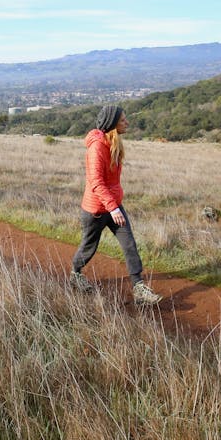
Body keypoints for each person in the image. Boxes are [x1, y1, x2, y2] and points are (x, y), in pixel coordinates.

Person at [70, 105, 162, 305]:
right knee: (88, 247)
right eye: (123, 120)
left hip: (114, 207)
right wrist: (112, 207)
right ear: (112, 124)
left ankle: (139, 288)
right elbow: (96, 182)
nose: (127, 122)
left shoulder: (114, 143)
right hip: (96, 210)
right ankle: (75, 273)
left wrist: (115, 205)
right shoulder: (96, 148)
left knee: (129, 243)